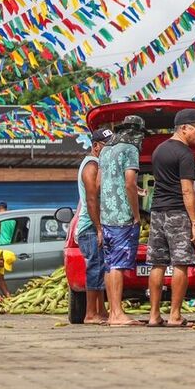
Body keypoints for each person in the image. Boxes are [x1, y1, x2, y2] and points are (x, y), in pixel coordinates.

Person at [146, 108, 195, 328]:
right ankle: (174, 316)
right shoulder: (185, 154)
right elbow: (188, 191)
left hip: (156, 212)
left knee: (157, 263)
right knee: (181, 264)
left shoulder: (158, 150)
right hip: (177, 214)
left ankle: (153, 316)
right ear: (183, 128)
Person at [98, 115, 145, 327]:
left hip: (106, 216)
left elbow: (98, 183)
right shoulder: (130, 149)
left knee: (109, 265)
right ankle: (117, 314)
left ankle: (112, 312)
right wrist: (136, 214)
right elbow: (129, 183)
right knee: (117, 264)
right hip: (122, 217)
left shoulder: (106, 149)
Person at [75, 128, 113, 324]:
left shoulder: (99, 164)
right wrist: (99, 228)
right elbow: (91, 200)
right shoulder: (91, 165)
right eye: (107, 145)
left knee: (101, 268)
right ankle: (91, 313)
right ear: (96, 146)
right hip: (89, 227)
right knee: (95, 268)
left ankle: (101, 311)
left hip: (95, 225)